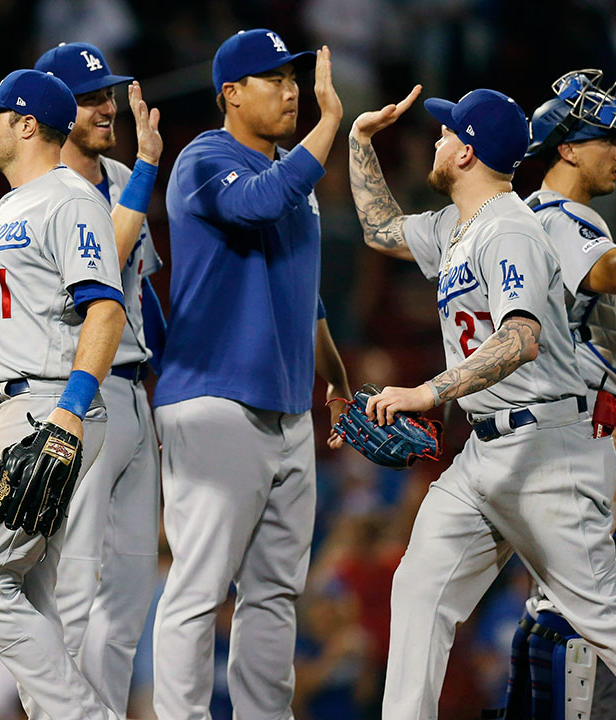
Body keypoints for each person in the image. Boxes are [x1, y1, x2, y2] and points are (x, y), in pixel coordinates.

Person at [346, 83, 616, 718]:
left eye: (444, 134)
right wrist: (358, 141)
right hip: (487, 452)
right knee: (419, 589)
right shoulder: (456, 228)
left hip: (548, 450)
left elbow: (520, 338)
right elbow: (380, 230)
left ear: (465, 152)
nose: (435, 141)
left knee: (606, 623)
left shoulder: (512, 229)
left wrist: (427, 390)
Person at [0, 53, 128, 718]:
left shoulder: (72, 199)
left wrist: (69, 408)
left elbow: (106, 308)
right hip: (14, 408)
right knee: (34, 596)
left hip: (42, 405)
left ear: (28, 124)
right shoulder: (17, 204)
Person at [151, 29, 351, 720]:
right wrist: (329, 126)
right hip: (214, 400)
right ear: (230, 93)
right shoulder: (203, 159)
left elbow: (306, 288)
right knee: (199, 589)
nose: (292, 89)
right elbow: (257, 205)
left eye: (294, 77)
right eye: (273, 79)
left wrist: (334, 374)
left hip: (289, 408)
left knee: (273, 593)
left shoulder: (296, 173)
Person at [491, 69, 616, 720]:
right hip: (584, 455)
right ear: (566, 147)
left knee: (556, 617)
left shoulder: (538, 220)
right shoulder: (555, 217)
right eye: (607, 139)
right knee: (583, 636)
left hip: (573, 451)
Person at [32, 41, 164, 716]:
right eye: (88, 98)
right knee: (75, 582)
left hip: (135, 393)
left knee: (132, 589)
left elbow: (140, 289)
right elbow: (102, 268)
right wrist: (145, 170)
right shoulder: (47, 188)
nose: (106, 106)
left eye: (106, 93)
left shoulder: (117, 172)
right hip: (80, 389)